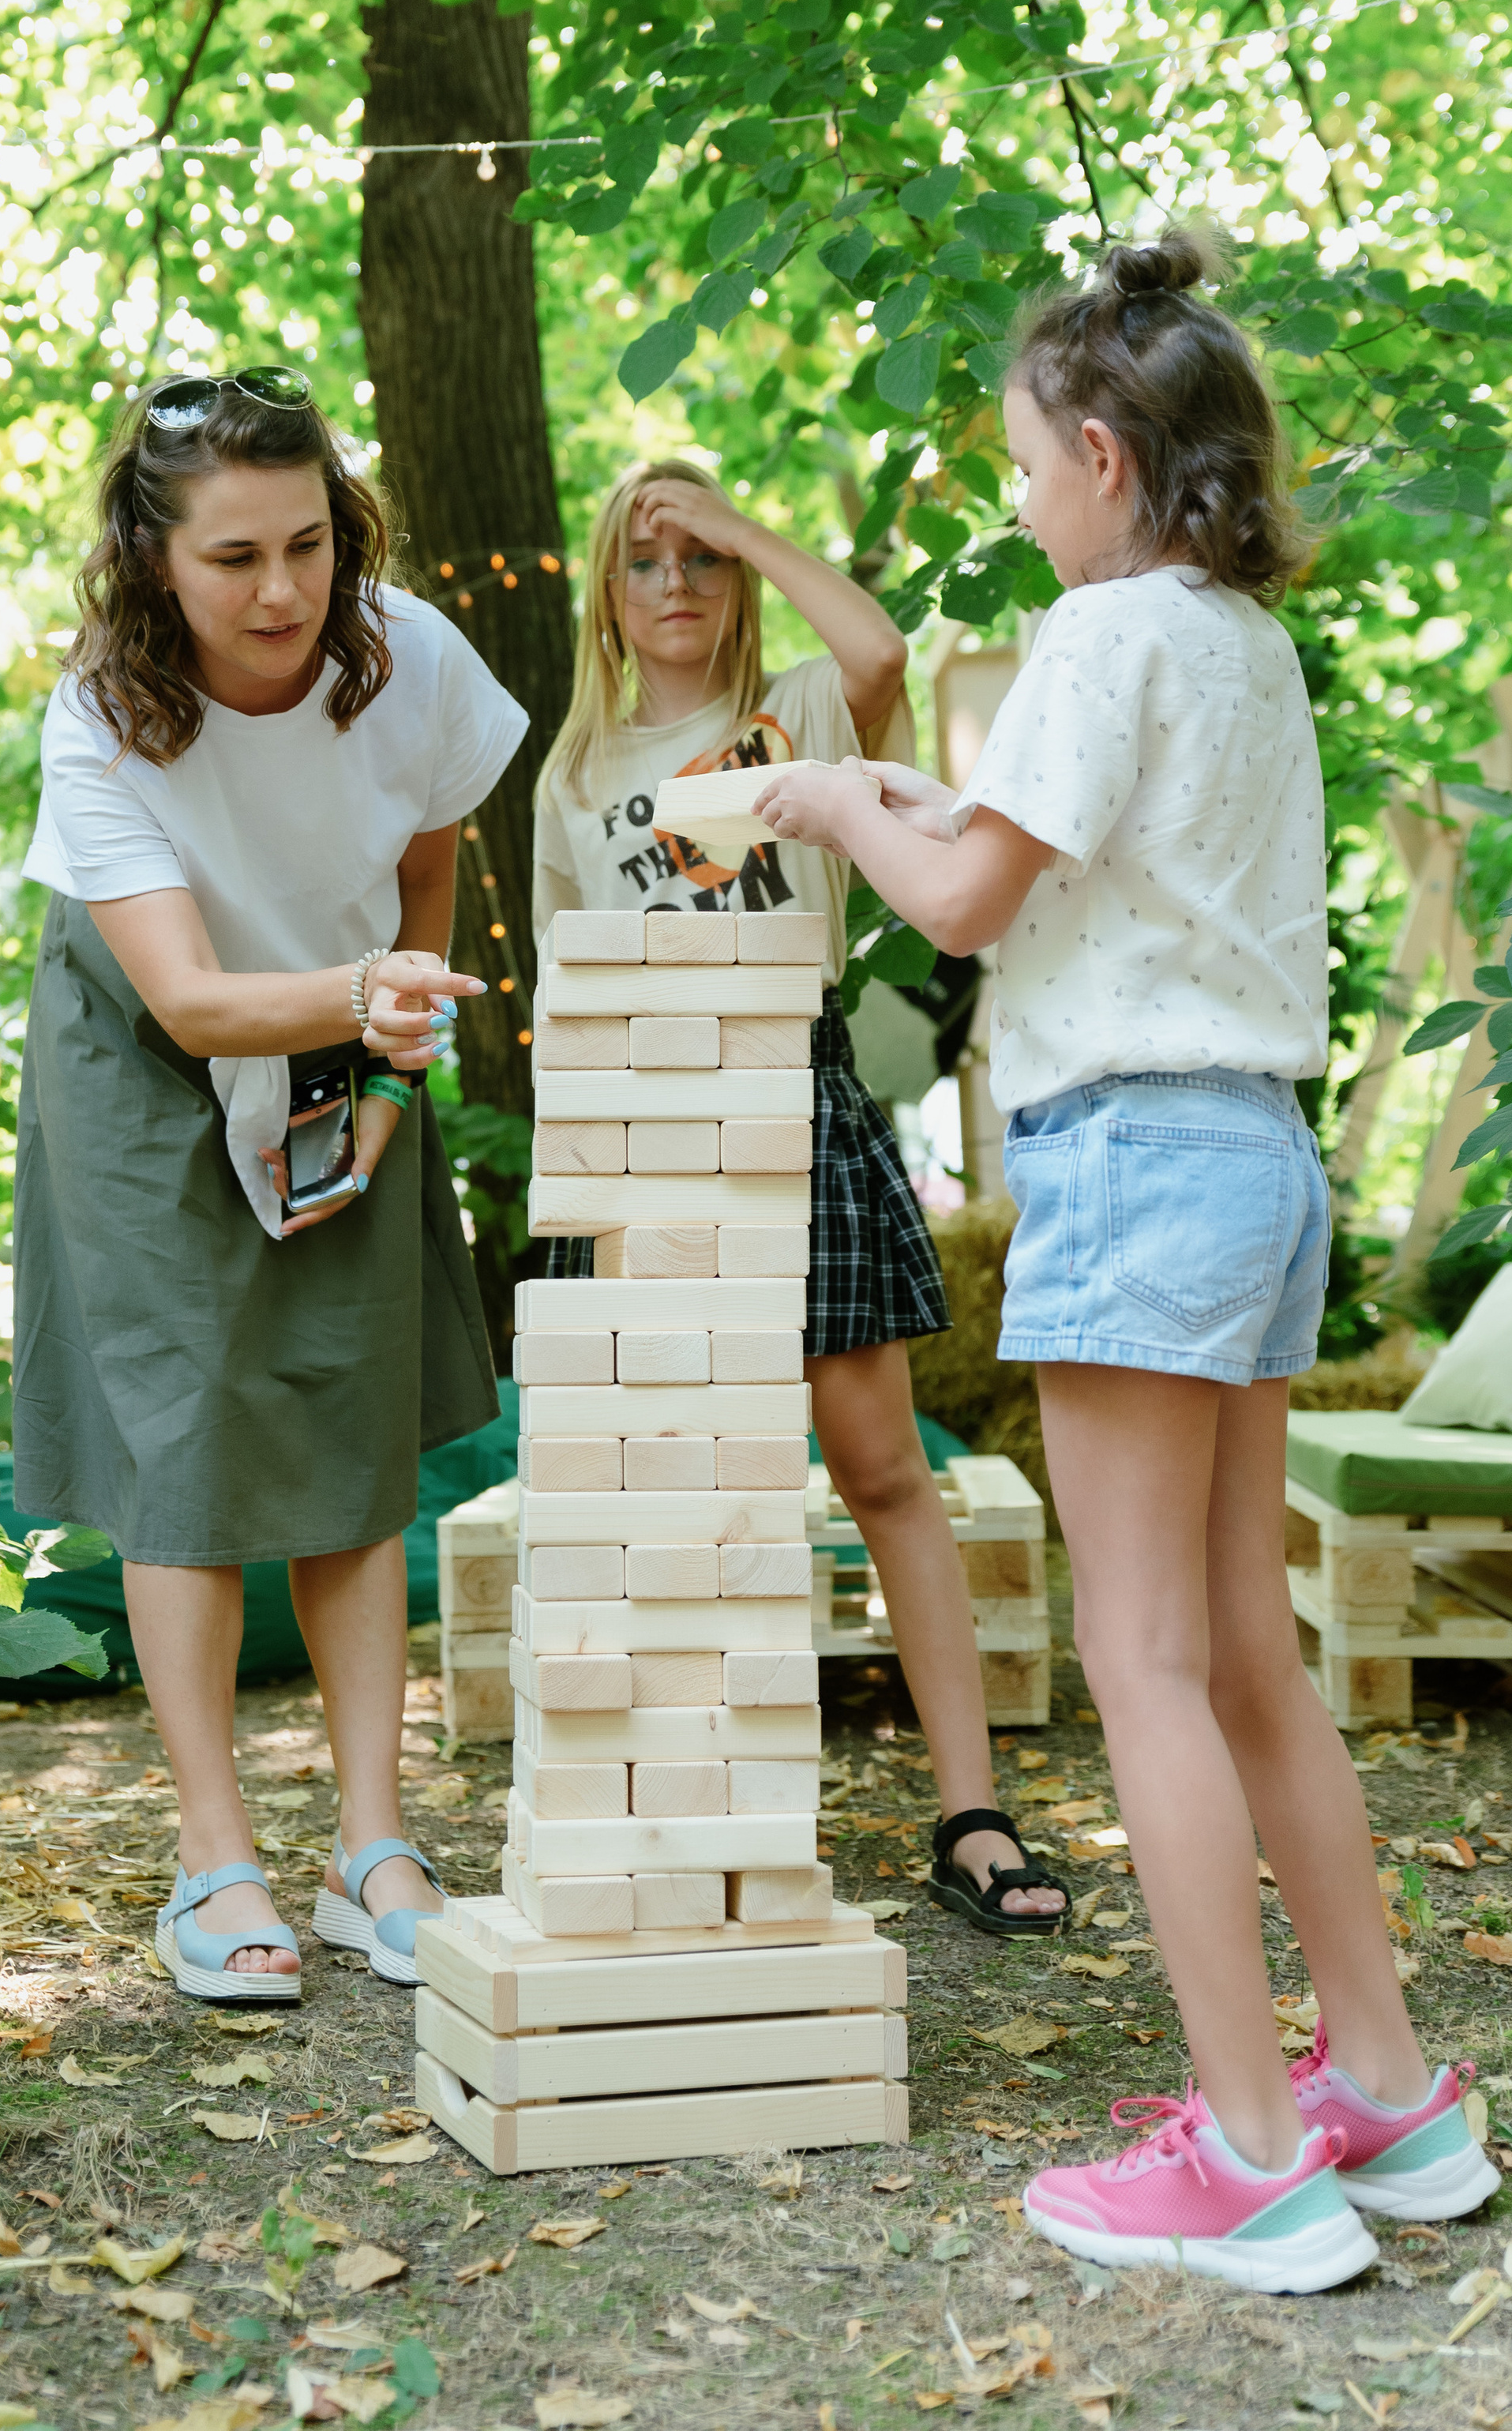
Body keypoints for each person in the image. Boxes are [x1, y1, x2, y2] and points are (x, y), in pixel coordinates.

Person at [752, 231, 1494, 2290]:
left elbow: (974, 907)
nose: (1012, 498)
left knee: (1146, 1661)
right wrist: (913, 795)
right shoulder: (1237, 641)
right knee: (1250, 1652)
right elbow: (1072, 863)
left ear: (1097, 454)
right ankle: (1385, 2092)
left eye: (1018, 463)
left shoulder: (1095, 637)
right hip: (1252, 1159)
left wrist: (827, 796)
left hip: (1135, 1166)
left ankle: (1249, 2154)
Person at [13, 368, 527, 2002]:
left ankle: (371, 1843)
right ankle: (212, 1856)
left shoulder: (410, 656)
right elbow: (186, 1000)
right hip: (149, 1049)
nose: (282, 591)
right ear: (154, 560)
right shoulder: (100, 711)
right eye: (234, 558)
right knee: (189, 1419)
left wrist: (380, 1090)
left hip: (343, 1012)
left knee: (340, 1392)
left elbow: (428, 876)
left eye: (306, 544)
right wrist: (367, 1012)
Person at [533, 454, 1067, 1936]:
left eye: (701, 560)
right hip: (645, 1121)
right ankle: (688, 1815)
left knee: (881, 1464)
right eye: (647, 562)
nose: (679, 586)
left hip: (796, 1087)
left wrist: (730, 517)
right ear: (608, 597)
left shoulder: (804, 722)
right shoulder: (573, 780)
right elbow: (561, 999)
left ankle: (969, 1814)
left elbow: (884, 649)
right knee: (679, 1492)